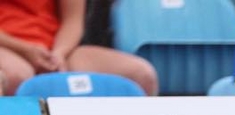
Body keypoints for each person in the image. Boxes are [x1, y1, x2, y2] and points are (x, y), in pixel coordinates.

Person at [0, 0, 158, 95]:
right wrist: (25, 50)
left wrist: (58, 54)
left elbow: (73, 21)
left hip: (55, 49)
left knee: (141, 75)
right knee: (17, 77)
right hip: (8, 47)